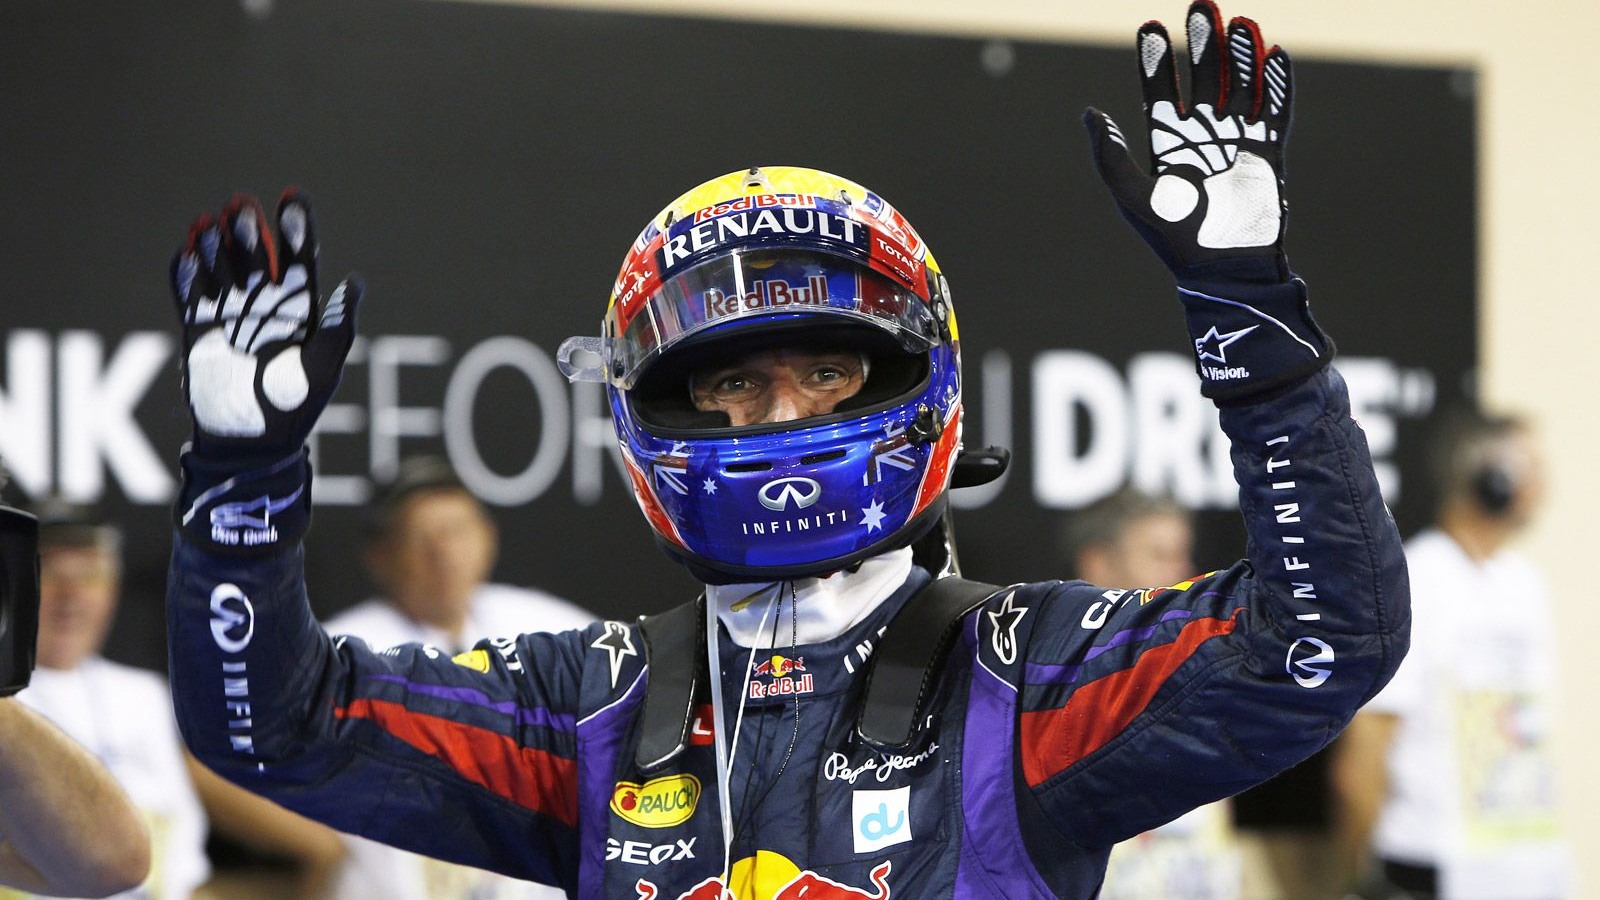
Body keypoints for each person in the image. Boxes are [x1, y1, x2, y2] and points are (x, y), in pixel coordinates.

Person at [162, 4, 1409, 897]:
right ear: (665, 407)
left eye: (825, 371)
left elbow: (1323, 640)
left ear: (917, 380)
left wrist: (1254, 324)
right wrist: (241, 477)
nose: (788, 415)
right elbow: (276, 722)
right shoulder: (585, 709)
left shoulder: (1021, 679)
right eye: (738, 383)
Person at [16, 504, 345, 900]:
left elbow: (301, 841)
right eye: (51, 573)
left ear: (112, 588)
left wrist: (324, 852)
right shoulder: (6, 702)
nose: (72, 596)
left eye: (89, 575)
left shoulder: (144, 696)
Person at [320, 456, 593, 900]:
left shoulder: (544, 625)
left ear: (488, 536)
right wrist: (316, 850)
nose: (444, 552)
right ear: (379, 556)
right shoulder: (343, 650)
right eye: (421, 538)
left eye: (457, 531)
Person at [1331, 410, 1569, 900]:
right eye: (1531, 468)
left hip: (1522, 859)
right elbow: (1368, 746)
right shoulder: (1419, 579)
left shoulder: (1524, 583)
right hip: (1430, 861)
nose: (1544, 487)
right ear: (1491, 477)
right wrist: (1361, 872)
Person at [1064, 490, 1243, 900]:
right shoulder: (1045, 698)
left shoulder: (1208, 681)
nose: (1184, 574)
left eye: (1183, 555)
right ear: (1099, 565)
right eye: (1161, 556)